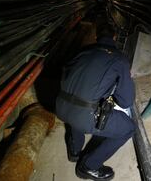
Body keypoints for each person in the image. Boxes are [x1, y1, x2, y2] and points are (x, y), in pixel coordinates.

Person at [55, 17, 136, 181]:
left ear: (97, 37)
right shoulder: (119, 59)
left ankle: (74, 151)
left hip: (61, 106)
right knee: (128, 128)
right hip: (84, 115)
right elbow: (126, 101)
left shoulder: (82, 51)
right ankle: (88, 166)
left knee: (79, 102)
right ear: (114, 37)